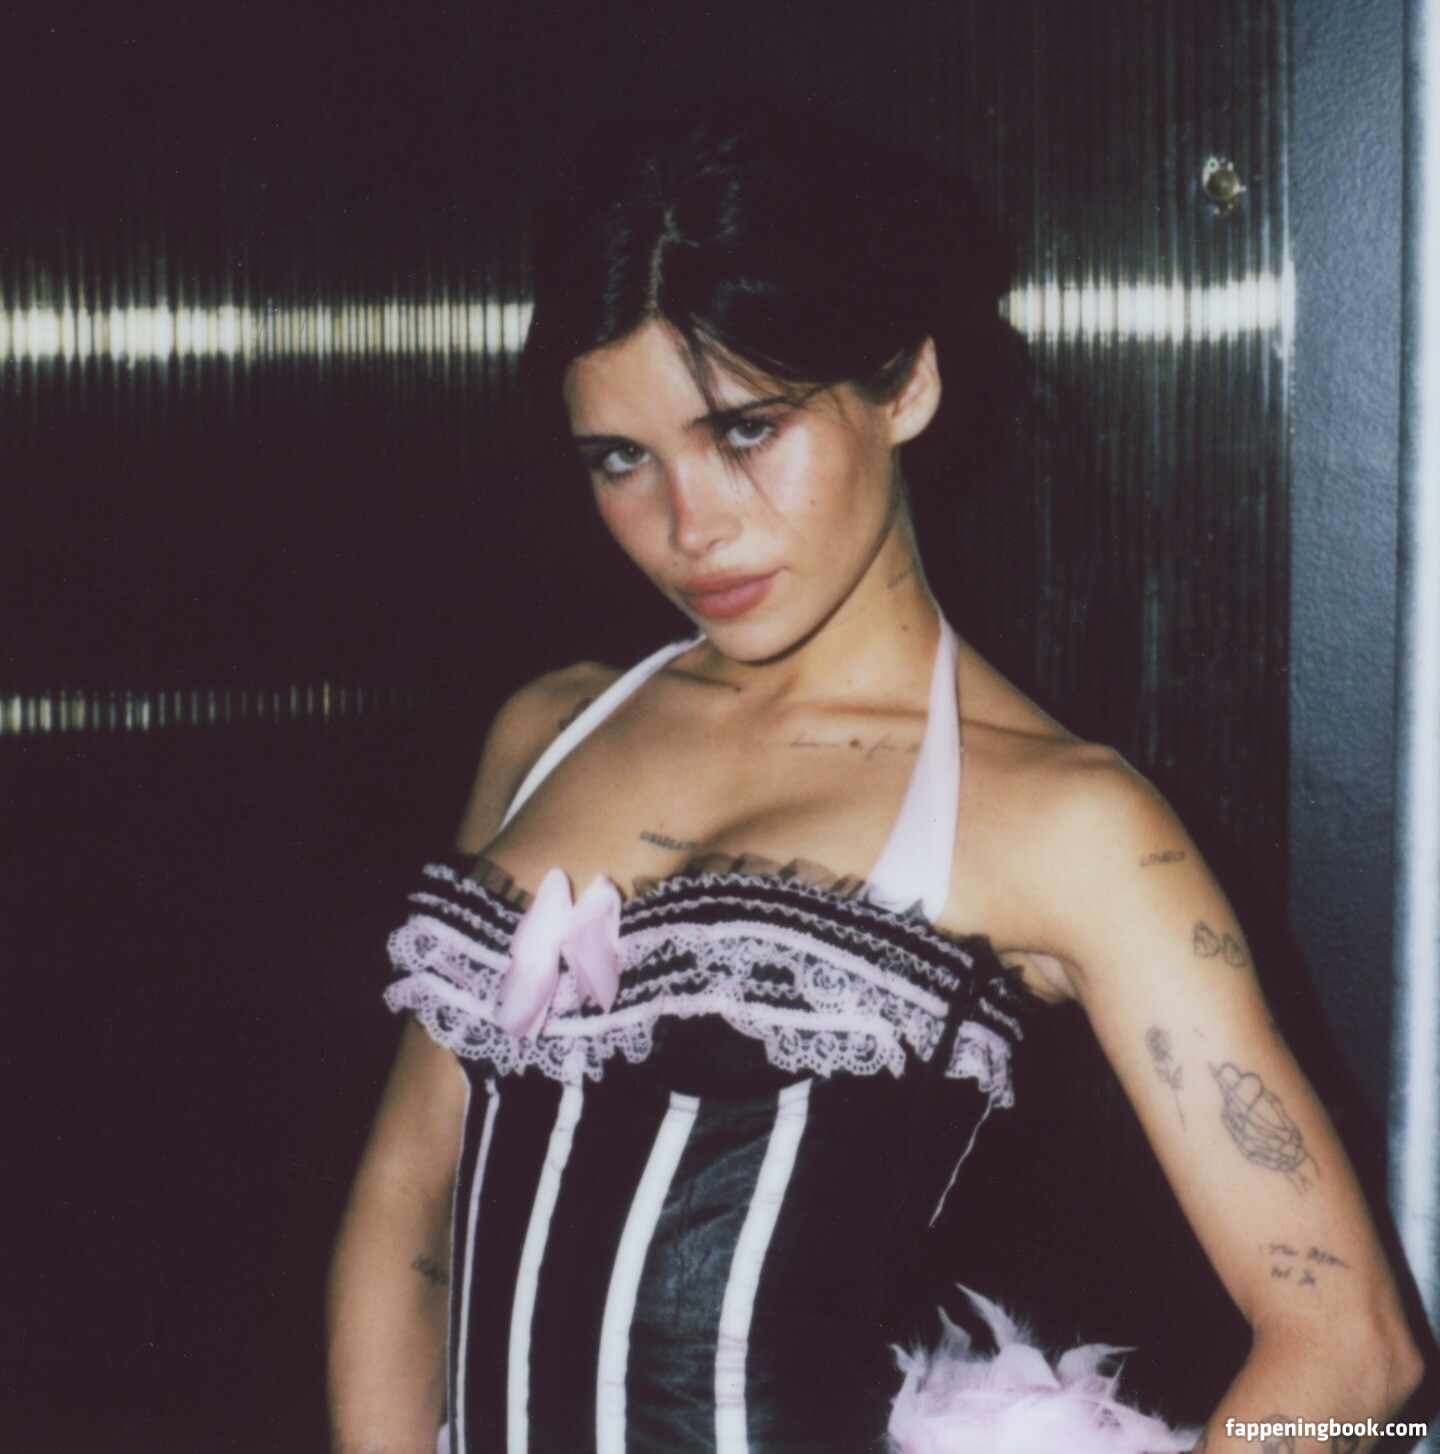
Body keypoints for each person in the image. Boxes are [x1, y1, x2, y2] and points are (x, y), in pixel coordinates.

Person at [325, 102, 1423, 1454]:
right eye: (622, 458)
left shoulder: (1067, 820)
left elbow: (1353, 1347)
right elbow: (406, 1213)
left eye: (745, 429)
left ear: (904, 386)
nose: (689, 525)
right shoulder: (545, 731)